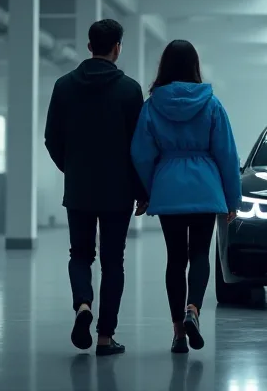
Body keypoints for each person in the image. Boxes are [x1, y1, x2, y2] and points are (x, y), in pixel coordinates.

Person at [44, 19, 148, 356]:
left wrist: (71, 167)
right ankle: (105, 337)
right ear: (117, 47)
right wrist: (141, 189)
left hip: (79, 188)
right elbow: (140, 146)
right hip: (118, 191)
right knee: (113, 262)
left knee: (80, 255)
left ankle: (83, 306)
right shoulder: (130, 90)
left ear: (89, 46)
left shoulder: (63, 86)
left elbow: (51, 138)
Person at [131, 39, 241, 354]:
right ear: (195, 65)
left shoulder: (152, 105)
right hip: (206, 187)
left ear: (164, 66)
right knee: (199, 256)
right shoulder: (212, 104)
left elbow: (140, 153)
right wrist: (232, 199)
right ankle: (193, 309)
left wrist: (149, 190)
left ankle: (178, 333)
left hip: (169, 186)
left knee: (175, 260)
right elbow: (227, 154)